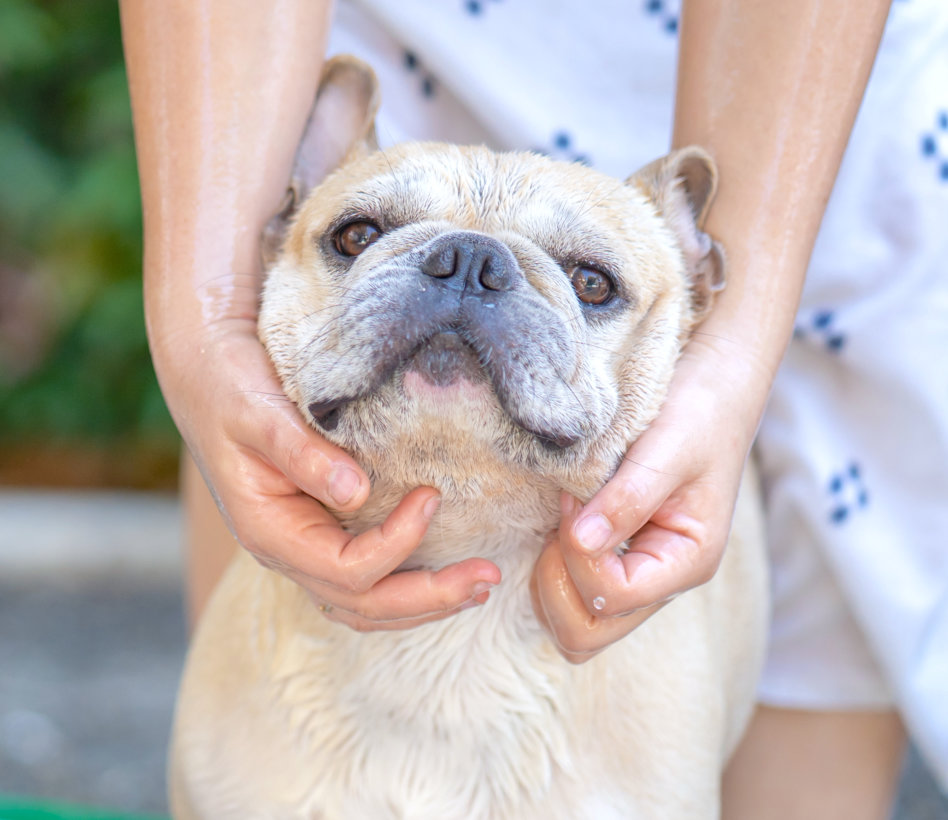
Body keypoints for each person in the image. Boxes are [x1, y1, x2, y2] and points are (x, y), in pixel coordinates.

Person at [120, 0, 947, 816]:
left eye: (589, 284)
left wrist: (735, 360)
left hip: (812, 92)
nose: (465, 286)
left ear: (693, 296)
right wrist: (205, 318)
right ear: (291, 213)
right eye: (360, 236)